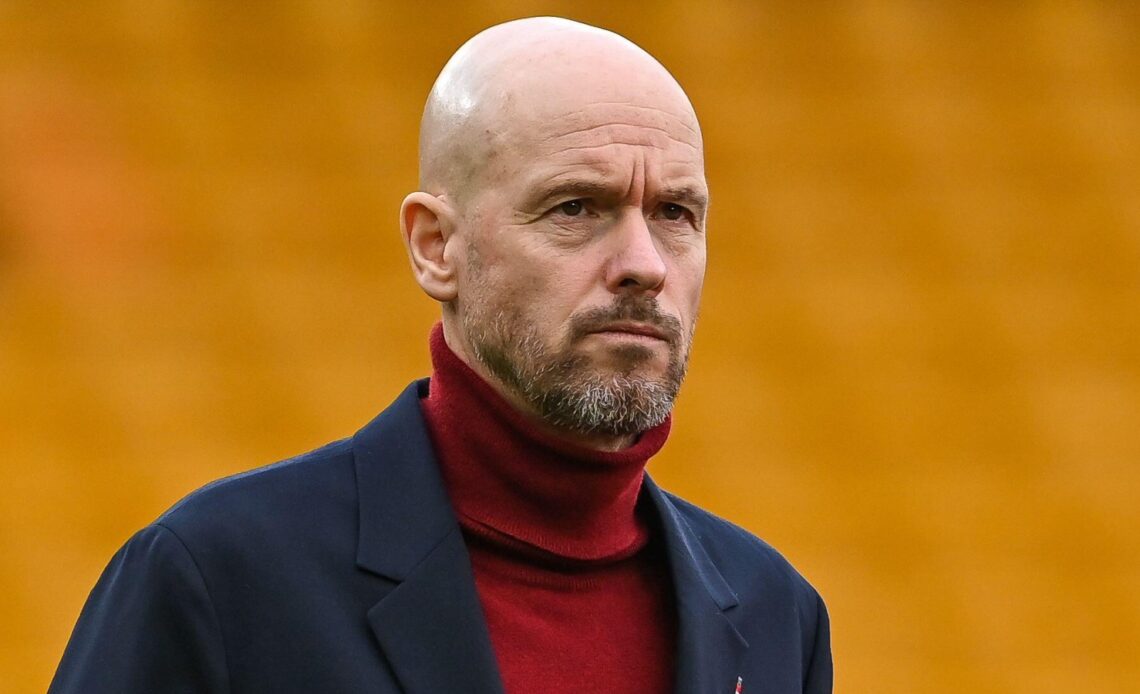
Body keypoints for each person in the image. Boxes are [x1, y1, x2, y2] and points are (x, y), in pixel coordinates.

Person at [50, 17, 832, 694]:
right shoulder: (221, 580)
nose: (644, 262)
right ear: (437, 247)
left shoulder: (776, 617)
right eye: (575, 207)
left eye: (675, 213)